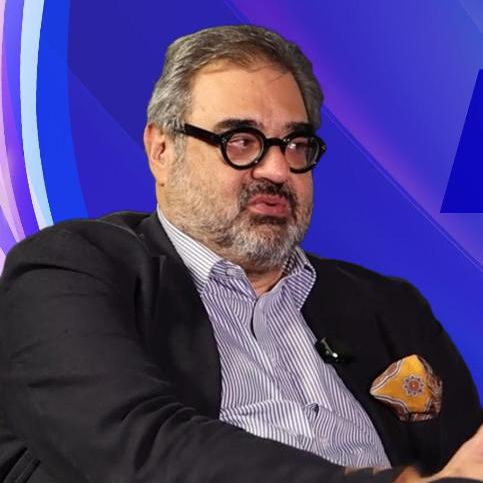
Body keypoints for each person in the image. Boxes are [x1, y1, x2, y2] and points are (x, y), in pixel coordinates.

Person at [0, 24, 481, 483]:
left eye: (295, 144)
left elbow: (465, 460)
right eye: (241, 141)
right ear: (162, 150)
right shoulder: (69, 272)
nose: (277, 169)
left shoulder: (388, 306)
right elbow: (134, 448)